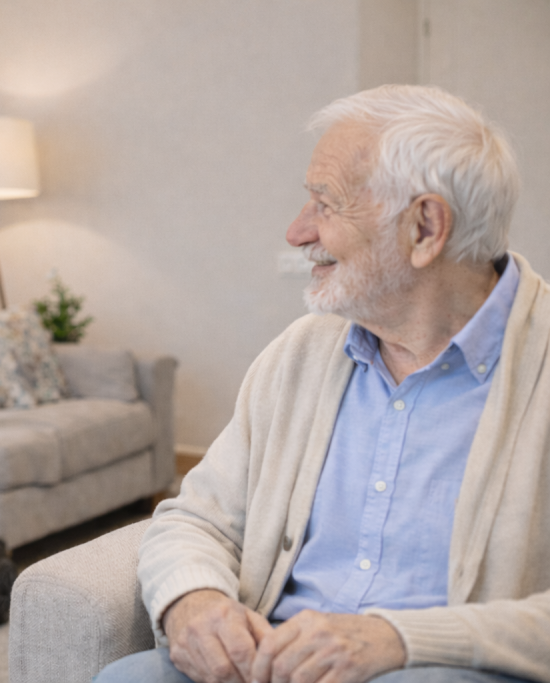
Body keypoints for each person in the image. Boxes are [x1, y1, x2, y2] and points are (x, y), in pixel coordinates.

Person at [96, 85, 550, 683]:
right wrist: (193, 600)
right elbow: (198, 517)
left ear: (425, 227)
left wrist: (398, 640)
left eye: (325, 204)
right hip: (273, 661)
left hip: (434, 668)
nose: (296, 232)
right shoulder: (301, 353)